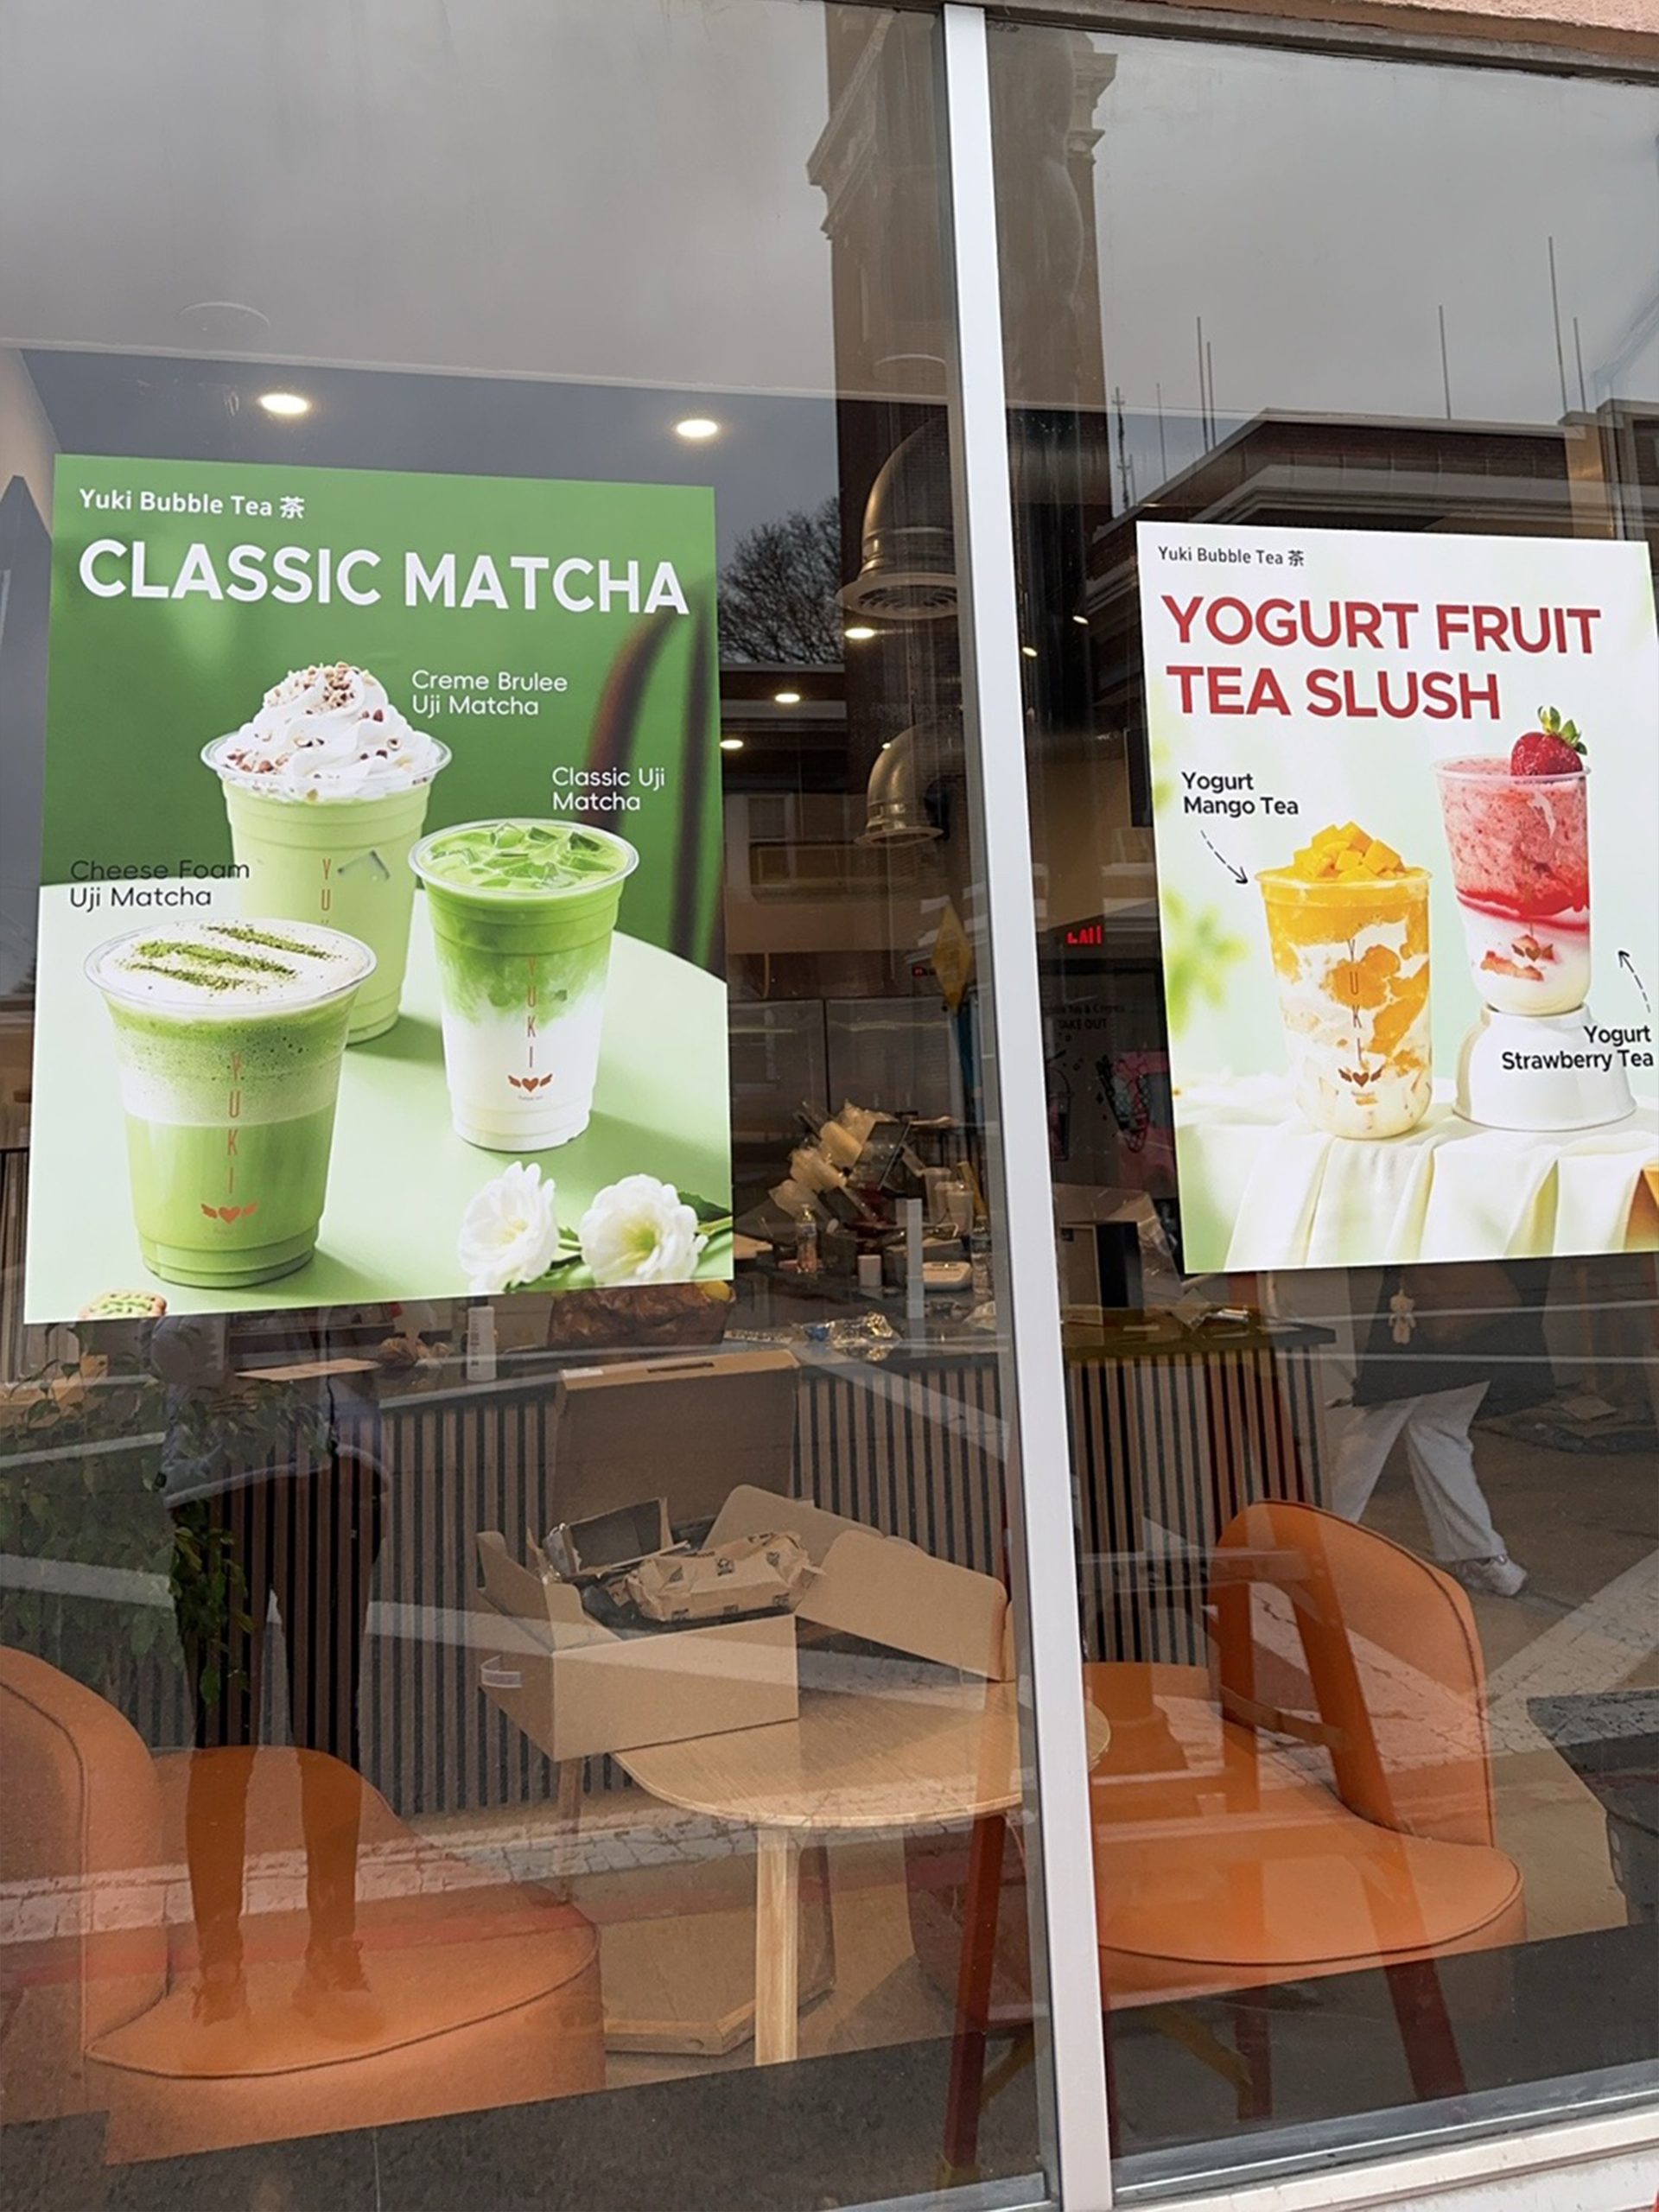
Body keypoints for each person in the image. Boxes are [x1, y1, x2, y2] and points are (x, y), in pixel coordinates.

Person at [149, 1310, 388, 2033]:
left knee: (327, 1725)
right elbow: (141, 1337)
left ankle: (332, 1952)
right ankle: (219, 1972)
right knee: (222, 1736)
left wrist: (390, 1344)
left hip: (335, 1472)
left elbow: (400, 1329)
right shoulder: (180, 1214)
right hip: (213, 1481)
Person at [1328, 1262, 1529, 1598]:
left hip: (1418, 1302)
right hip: (1474, 1305)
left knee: (1371, 1433)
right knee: (1439, 1429)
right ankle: (1483, 1557)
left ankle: (1317, 1545)